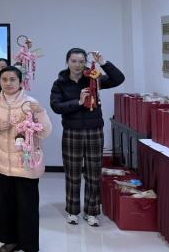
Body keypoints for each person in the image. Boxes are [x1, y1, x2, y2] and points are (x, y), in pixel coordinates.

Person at [0, 66, 52, 252]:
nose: (8, 83)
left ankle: (29, 245)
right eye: (4, 79)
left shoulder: (31, 103)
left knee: (28, 206)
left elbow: (45, 132)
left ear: (20, 82)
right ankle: (10, 240)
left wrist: (41, 112)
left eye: (13, 79)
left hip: (26, 163)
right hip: (0, 162)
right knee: (5, 205)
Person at [50, 49, 124, 227]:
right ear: (67, 62)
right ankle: (72, 211)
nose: (78, 65)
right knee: (72, 173)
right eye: (74, 61)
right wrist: (78, 102)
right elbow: (56, 106)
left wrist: (103, 63)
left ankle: (92, 212)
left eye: (81, 61)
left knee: (93, 173)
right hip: (72, 132)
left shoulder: (93, 78)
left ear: (86, 62)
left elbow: (118, 79)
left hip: (94, 130)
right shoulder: (60, 83)